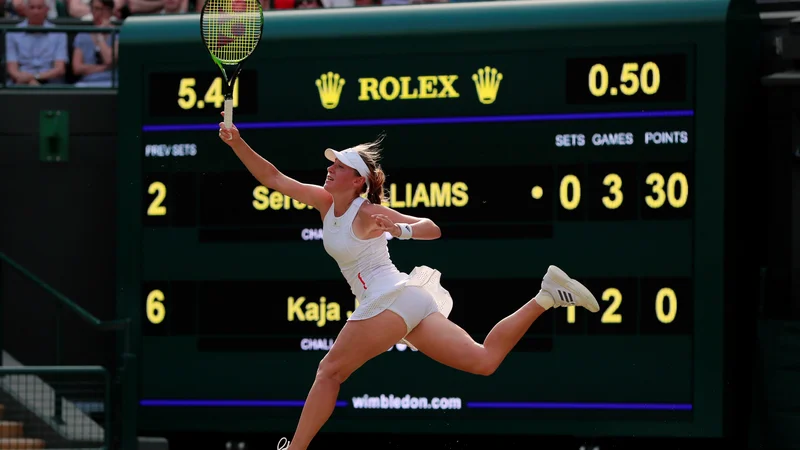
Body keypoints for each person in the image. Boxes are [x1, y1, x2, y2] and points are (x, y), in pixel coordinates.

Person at [217, 113, 600, 450]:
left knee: (329, 372)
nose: (330, 168)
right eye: (331, 164)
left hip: (389, 298)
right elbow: (272, 177)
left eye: (339, 165)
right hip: (407, 302)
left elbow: (432, 229)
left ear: (357, 181)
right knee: (484, 361)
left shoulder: (367, 210)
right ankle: (547, 295)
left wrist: (399, 230)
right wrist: (236, 141)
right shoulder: (323, 201)